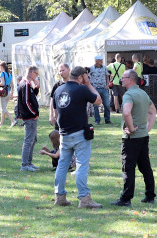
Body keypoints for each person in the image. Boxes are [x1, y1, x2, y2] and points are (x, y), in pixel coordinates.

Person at [53, 66, 103, 209]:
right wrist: (88, 84)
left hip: (64, 134)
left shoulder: (58, 90)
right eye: (85, 77)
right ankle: (84, 198)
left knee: (62, 165)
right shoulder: (82, 89)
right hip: (79, 133)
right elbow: (98, 100)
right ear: (81, 77)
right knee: (81, 165)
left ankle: (59, 196)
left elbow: (56, 114)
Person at [112, 70, 156, 207]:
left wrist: (130, 128)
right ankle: (150, 196)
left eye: (123, 78)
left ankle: (126, 199)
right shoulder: (143, 93)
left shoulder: (128, 95)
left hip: (131, 139)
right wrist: (147, 128)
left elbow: (126, 112)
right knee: (145, 167)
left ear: (130, 79)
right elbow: (153, 111)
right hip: (143, 136)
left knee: (128, 168)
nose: (121, 80)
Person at [17, 66, 41, 171]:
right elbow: (26, 101)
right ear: (31, 72)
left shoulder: (28, 85)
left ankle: (29, 162)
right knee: (28, 140)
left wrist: (36, 88)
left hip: (31, 116)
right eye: (36, 73)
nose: (36, 76)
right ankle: (25, 164)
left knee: (32, 140)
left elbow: (32, 97)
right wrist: (34, 113)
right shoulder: (25, 84)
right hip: (29, 117)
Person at [89, 54, 112, 125]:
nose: (102, 61)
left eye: (102, 60)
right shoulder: (91, 68)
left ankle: (107, 120)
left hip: (104, 88)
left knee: (107, 104)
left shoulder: (104, 67)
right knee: (95, 105)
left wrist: (107, 85)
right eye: (100, 60)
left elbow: (107, 76)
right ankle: (97, 120)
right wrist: (91, 87)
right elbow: (89, 77)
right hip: (95, 89)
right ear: (96, 61)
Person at [0, 61, 15, 127]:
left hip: (3, 93)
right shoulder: (9, 74)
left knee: (3, 109)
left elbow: (2, 83)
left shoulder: (2, 74)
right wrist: (12, 93)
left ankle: (13, 121)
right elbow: (12, 85)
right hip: (8, 93)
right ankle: (1, 123)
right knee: (3, 109)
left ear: (1, 67)